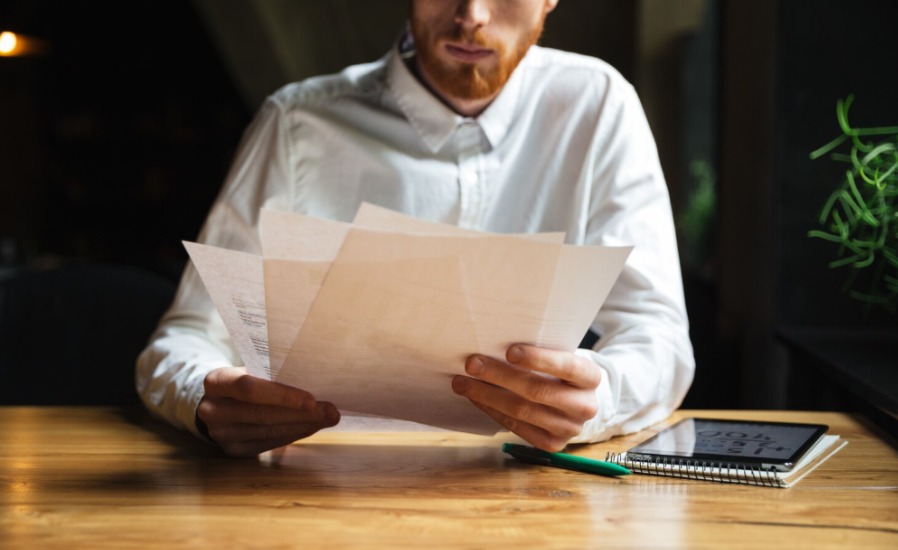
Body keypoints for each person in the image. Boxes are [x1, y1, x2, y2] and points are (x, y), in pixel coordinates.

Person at [136, 0, 695, 457]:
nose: (472, 14)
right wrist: (206, 401)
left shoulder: (598, 107)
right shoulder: (296, 125)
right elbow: (184, 339)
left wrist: (600, 400)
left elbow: (660, 336)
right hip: (318, 497)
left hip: (529, 494)